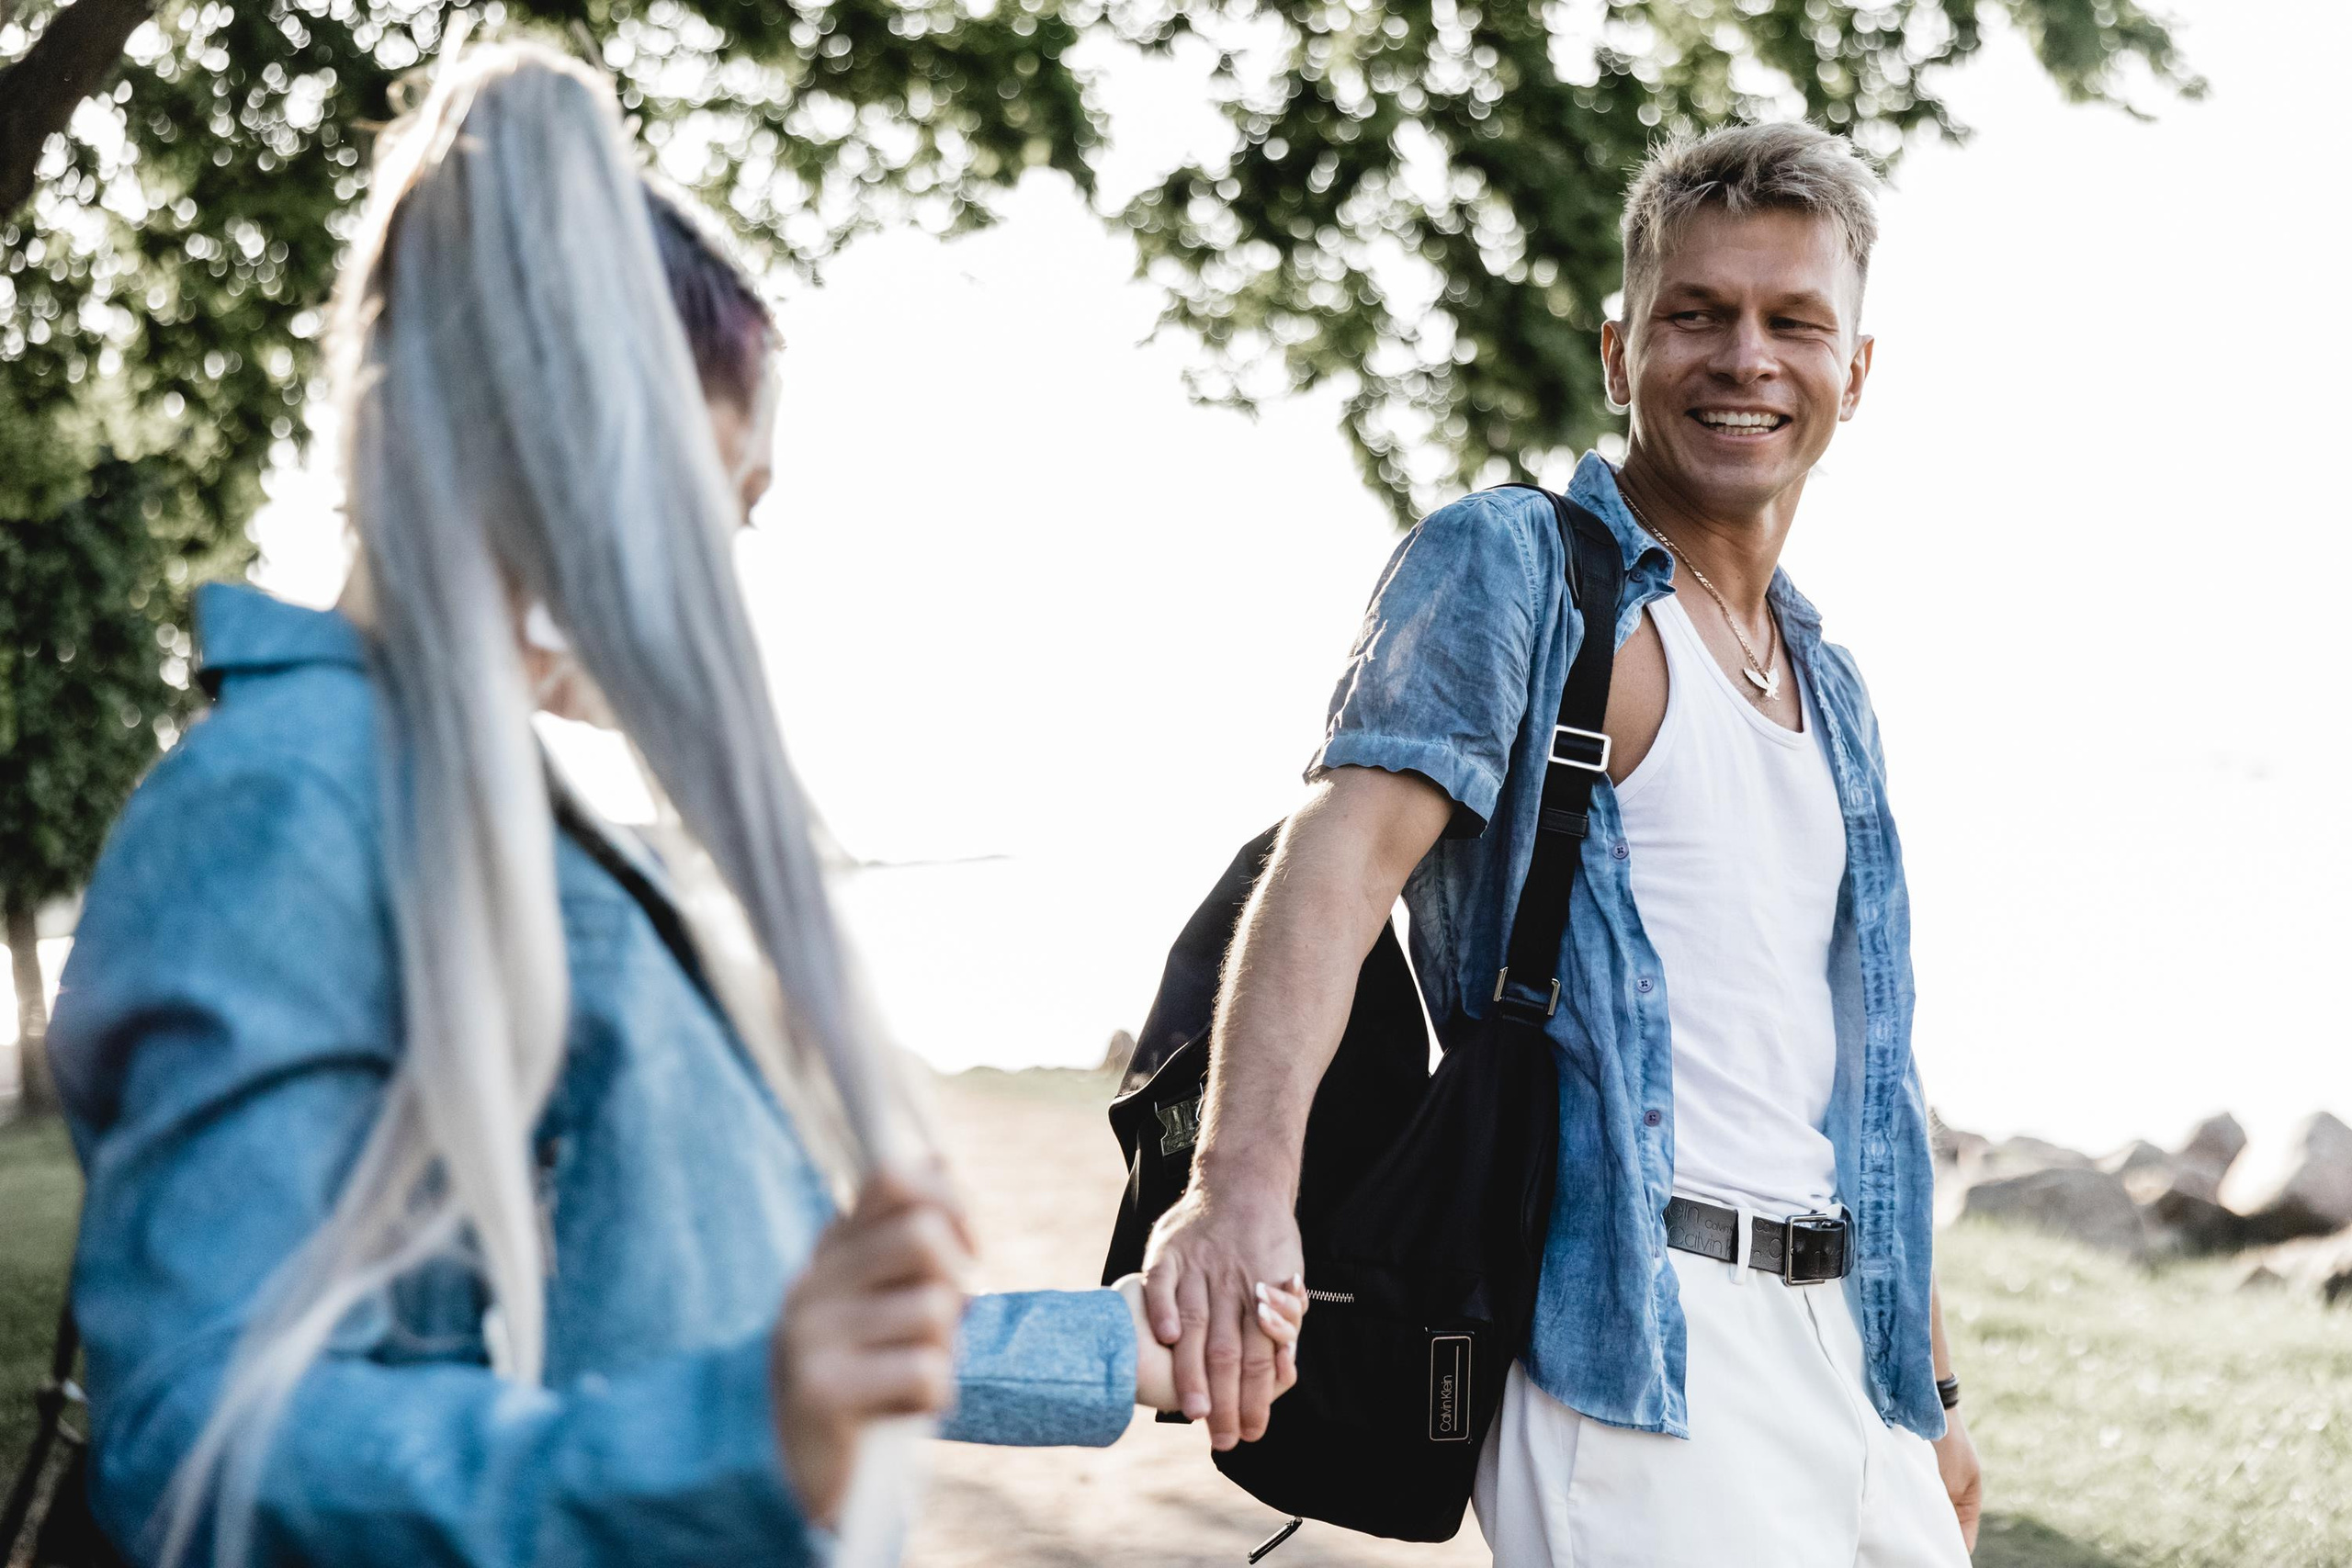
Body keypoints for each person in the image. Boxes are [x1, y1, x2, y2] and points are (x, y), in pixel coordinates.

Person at [44, 42, 1304, 1568]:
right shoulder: (282, 808)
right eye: (721, 500)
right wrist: (739, 1435)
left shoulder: (492, 809)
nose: (717, 565)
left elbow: (703, 1322)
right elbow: (205, 1442)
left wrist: (1107, 1356)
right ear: (568, 426)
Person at [1138, 121, 1982, 1565]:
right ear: (1618, 353)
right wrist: (1234, 1195)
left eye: (1795, 322)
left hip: (1849, 1358)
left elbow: (1862, 1068)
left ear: (1857, 372)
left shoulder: (1830, 683)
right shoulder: (1514, 570)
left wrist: (1930, 1380)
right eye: (1696, 315)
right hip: (1636, 1351)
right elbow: (1335, 871)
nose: (1745, 359)